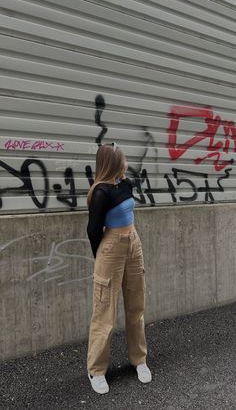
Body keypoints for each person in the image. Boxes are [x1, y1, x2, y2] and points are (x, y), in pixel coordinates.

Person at [86, 143, 152, 394]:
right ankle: (96, 370)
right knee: (105, 313)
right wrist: (101, 255)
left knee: (136, 306)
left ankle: (140, 360)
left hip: (133, 243)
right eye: (122, 159)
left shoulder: (126, 184)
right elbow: (93, 230)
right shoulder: (100, 192)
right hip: (111, 247)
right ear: (113, 162)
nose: (126, 161)